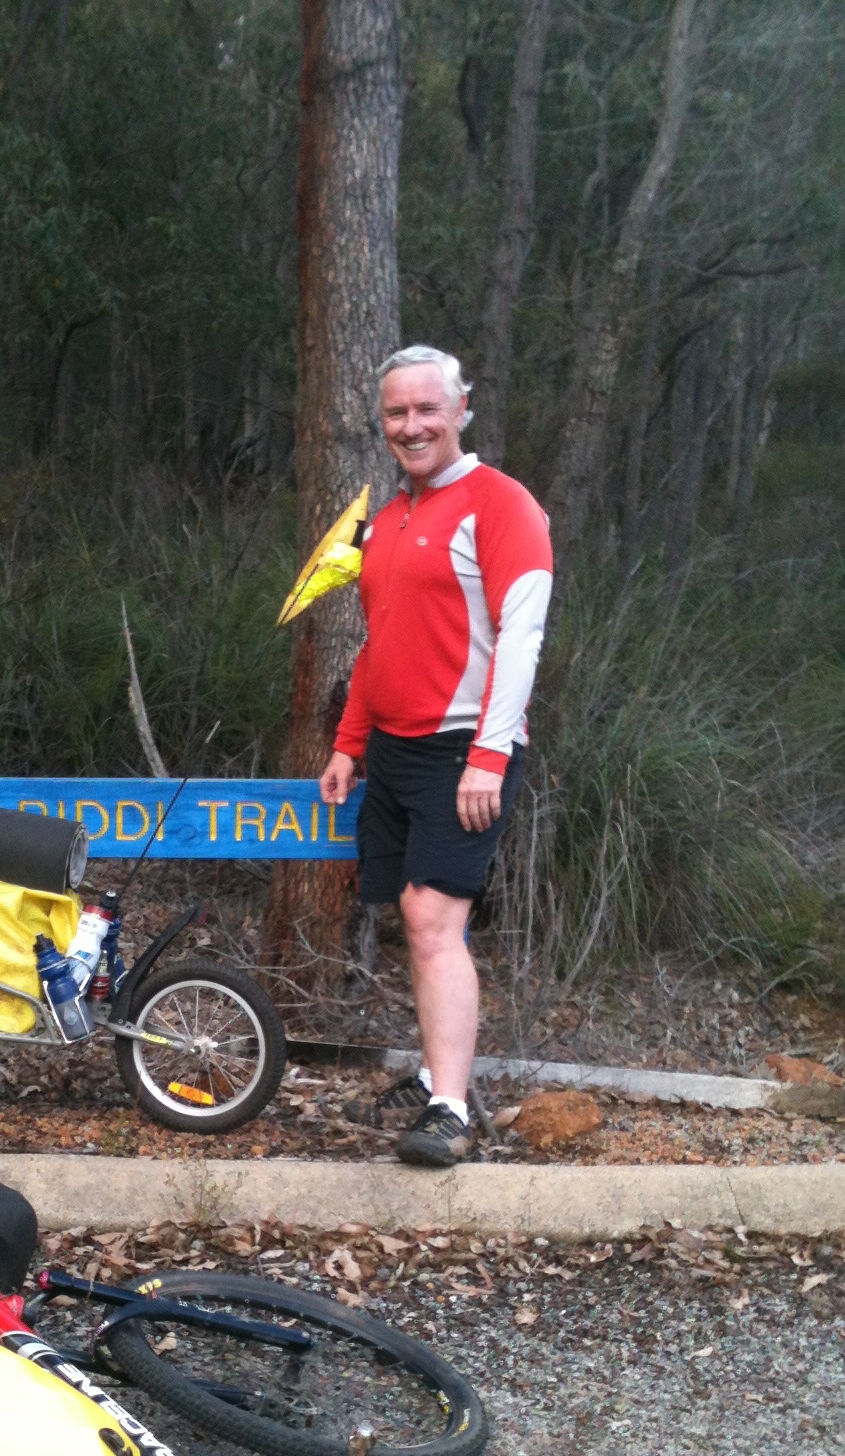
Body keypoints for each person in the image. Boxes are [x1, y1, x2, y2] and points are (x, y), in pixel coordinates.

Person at [319, 345, 552, 1167]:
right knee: (409, 921)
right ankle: (432, 1075)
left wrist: (490, 755)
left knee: (431, 918)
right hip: (395, 749)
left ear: (461, 411)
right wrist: (350, 744)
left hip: (466, 748)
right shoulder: (388, 518)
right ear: (382, 423)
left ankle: (449, 1111)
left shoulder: (503, 504)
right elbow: (379, 646)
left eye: (427, 409)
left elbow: (521, 638)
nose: (411, 425)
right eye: (396, 413)